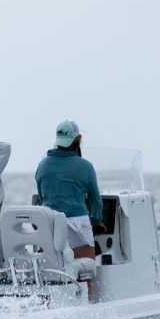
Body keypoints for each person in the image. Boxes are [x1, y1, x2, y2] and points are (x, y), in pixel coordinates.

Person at [35, 120, 106, 298]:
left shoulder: (42, 165)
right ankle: (88, 304)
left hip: (49, 224)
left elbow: (43, 198)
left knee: (51, 274)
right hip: (78, 224)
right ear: (78, 140)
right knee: (86, 272)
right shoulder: (86, 166)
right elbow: (96, 201)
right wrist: (97, 220)